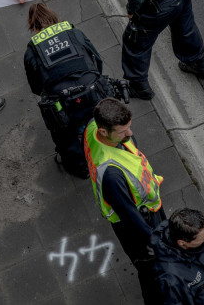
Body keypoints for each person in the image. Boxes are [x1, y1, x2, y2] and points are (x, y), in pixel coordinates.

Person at [24, 2, 119, 179]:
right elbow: (96, 59)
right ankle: (114, 152)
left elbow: (35, 85)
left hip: (62, 103)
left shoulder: (32, 50)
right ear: (54, 18)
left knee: (64, 134)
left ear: (33, 26)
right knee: (105, 119)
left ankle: (81, 168)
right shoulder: (74, 33)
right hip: (92, 91)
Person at [84, 98, 164, 304]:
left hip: (143, 209)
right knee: (150, 268)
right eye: (122, 131)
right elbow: (130, 216)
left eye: (129, 127)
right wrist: (156, 241)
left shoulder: (92, 126)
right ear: (103, 132)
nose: (130, 134)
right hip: (140, 223)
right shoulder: (111, 174)